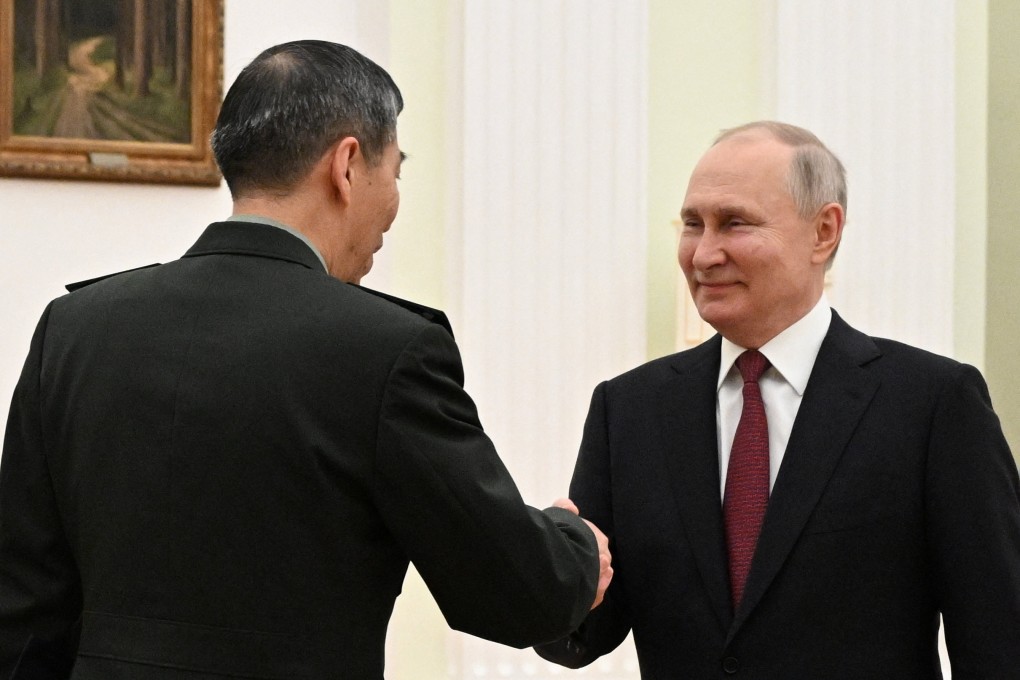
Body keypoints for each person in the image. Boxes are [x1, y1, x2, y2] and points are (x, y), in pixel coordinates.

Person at [0, 40, 611, 679]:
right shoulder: (387, 350)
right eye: (396, 169)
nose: (394, 202)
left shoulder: (72, 330)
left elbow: (26, 610)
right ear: (347, 165)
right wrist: (572, 549)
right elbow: (515, 594)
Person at [536, 121, 1020, 678]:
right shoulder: (628, 410)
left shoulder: (932, 404)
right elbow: (579, 637)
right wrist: (543, 562)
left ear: (824, 231)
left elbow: (996, 641)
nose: (704, 254)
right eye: (693, 224)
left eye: (734, 223)